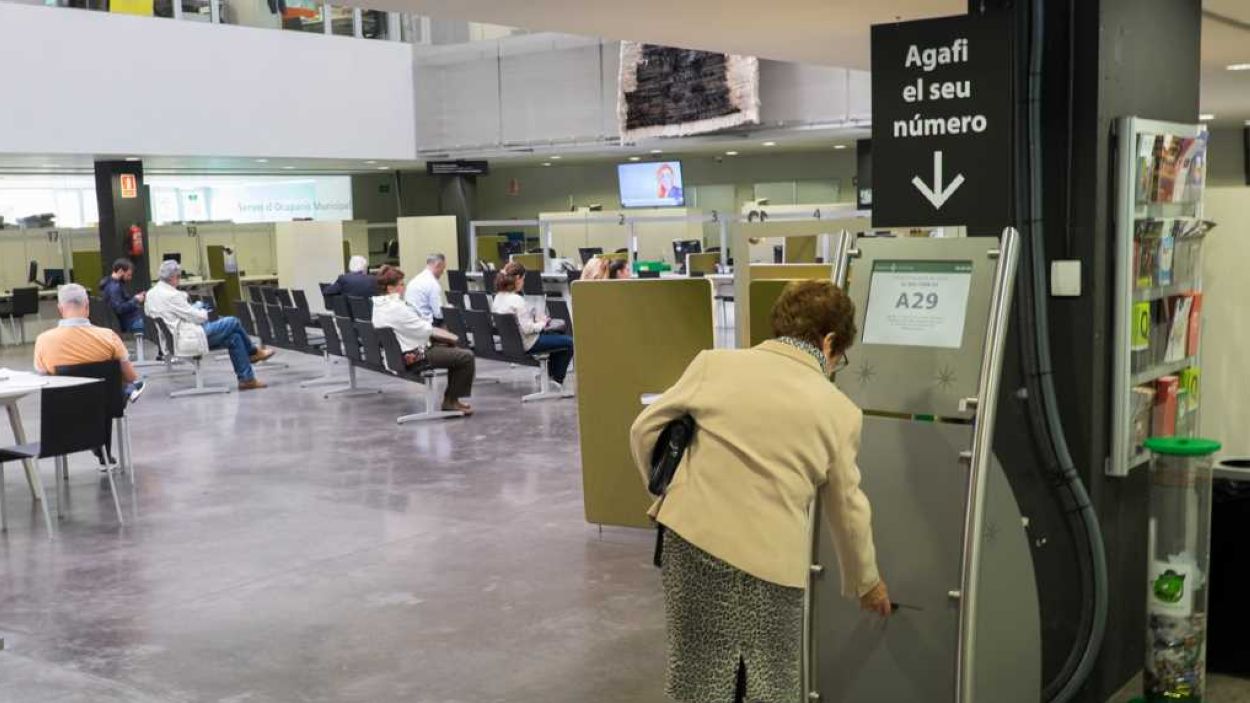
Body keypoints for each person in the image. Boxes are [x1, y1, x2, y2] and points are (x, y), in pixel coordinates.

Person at [628, 279, 890, 703]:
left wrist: (671, 492)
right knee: (769, 678)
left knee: (695, 670)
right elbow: (848, 507)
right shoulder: (839, 410)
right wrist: (867, 582)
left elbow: (644, 430)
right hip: (770, 562)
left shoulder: (714, 364)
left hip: (690, 542)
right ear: (829, 342)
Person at [33, 284, 145, 468]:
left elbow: (43, 377)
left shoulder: (44, 340)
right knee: (109, 389)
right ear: (87, 306)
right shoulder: (108, 336)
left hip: (64, 409)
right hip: (106, 405)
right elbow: (131, 375)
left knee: (92, 393)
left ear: (60, 309)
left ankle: (96, 452)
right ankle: (104, 449)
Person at [144, 259, 274, 390]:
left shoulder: (151, 294)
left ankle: (247, 380)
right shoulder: (173, 295)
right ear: (173, 277)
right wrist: (202, 311)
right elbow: (198, 318)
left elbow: (172, 313)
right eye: (178, 277)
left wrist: (190, 308)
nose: (179, 281)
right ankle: (253, 352)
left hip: (172, 339)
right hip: (187, 338)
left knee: (234, 337)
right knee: (232, 321)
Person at [372, 265, 476, 415]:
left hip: (398, 355)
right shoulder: (396, 308)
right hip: (413, 356)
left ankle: (452, 400)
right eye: (401, 284)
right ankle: (451, 401)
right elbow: (424, 330)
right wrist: (445, 336)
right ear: (390, 288)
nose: (404, 287)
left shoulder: (379, 306)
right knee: (465, 356)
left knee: (453, 352)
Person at [491, 262, 575, 387]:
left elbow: (517, 323)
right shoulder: (517, 300)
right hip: (528, 343)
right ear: (518, 278)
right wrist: (542, 323)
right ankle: (556, 378)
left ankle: (550, 376)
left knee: (556, 334)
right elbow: (528, 329)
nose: (523, 283)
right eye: (523, 279)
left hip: (512, 343)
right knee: (569, 342)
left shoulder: (498, 297)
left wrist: (534, 321)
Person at [98, 258, 146, 333]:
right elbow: (119, 308)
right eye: (128, 275)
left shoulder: (110, 284)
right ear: (120, 271)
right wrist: (136, 300)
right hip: (129, 324)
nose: (130, 278)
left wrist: (134, 299)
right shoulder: (114, 287)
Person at [403, 253, 447, 325]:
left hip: (411, 321)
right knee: (452, 322)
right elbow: (438, 314)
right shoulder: (433, 284)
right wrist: (449, 309)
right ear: (438, 265)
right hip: (425, 323)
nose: (443, 272)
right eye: (443, 268)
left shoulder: (415, 280)